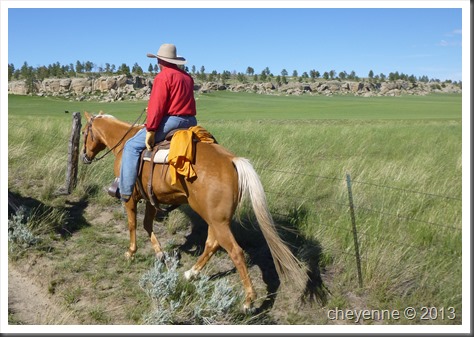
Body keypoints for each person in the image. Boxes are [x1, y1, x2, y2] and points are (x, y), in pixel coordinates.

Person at [117, 43, 197, 202]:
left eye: (158, 60)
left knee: (131, 146)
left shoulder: (163, 77)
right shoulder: (187, 77)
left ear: (161, 61)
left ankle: (125, 191)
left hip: (172, 122)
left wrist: (151, 130)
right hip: (191, 121)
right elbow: (178, 100)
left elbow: (157, 106)